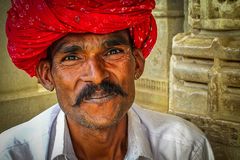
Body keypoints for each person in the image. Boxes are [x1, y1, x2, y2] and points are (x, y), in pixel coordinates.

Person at [0, 0, 214, 160]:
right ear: (47, 76)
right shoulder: (12, 153)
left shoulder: (184, 149)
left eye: (112, 52)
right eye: (72, 58)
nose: (97, 76)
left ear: (137, 64)